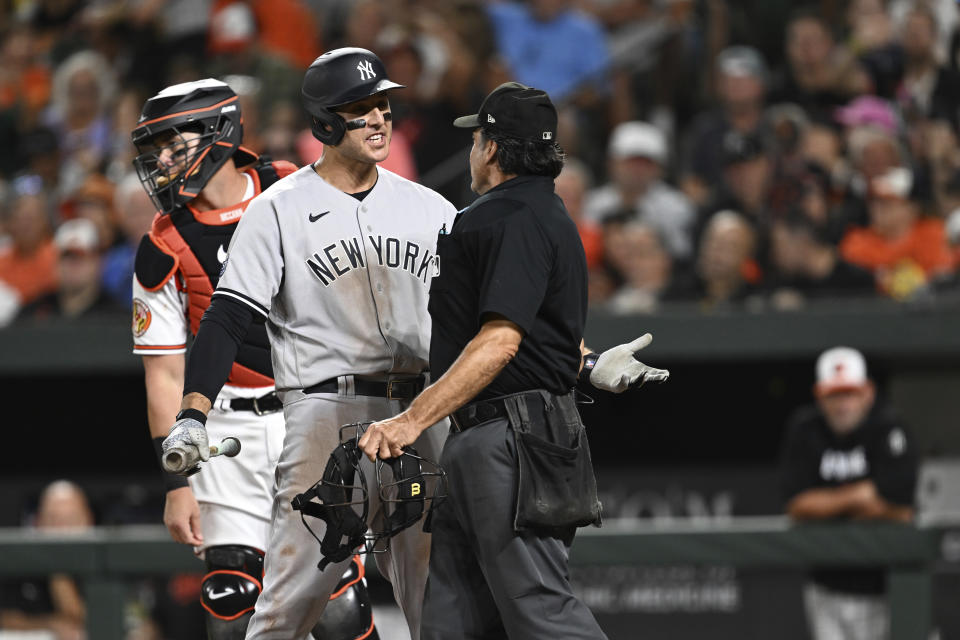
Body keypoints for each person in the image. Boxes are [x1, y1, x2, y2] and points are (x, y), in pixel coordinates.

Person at [160, 48, 459, 639]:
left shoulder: (431, 208)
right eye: (359, 109)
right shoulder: (277, 210)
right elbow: (226, 317)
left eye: (383, 104)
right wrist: (193, 411)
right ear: (324, 123)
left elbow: (481, 322)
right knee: (291, 602)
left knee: (442, 599)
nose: (378, 119)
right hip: (328, 413)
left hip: (422, 412)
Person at [357, 81, 668, 639]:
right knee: (453, 619)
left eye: (477, 139)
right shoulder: (546, 215)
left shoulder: (501, 217)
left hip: (508, 439)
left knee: (540, 610)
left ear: (493, 147)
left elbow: (501, 339)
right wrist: (589, 363)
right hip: (513, 434)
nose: (473, 151)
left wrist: (410, 421)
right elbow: (532, 330)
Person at [132, 77, 377, 640]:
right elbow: (164, 375)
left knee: (339, 605)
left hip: (310, 415)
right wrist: (177, 483)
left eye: (174, 143)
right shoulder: (162, 243)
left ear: (218, 132)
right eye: (155, 150)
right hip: (223, 434)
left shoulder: (291, 187)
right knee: (231, 606)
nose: (163, 161)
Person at [780, 346, 918, 640]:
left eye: (850, 393)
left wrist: (827, 505)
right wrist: (860, 496)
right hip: (826, 584)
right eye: (834, 394)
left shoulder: (889, 427)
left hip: (885, 584)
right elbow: (797, 505)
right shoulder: (805, 430)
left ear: (867, 392)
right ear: (820, 395)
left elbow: (902, 508)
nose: (843, 404)